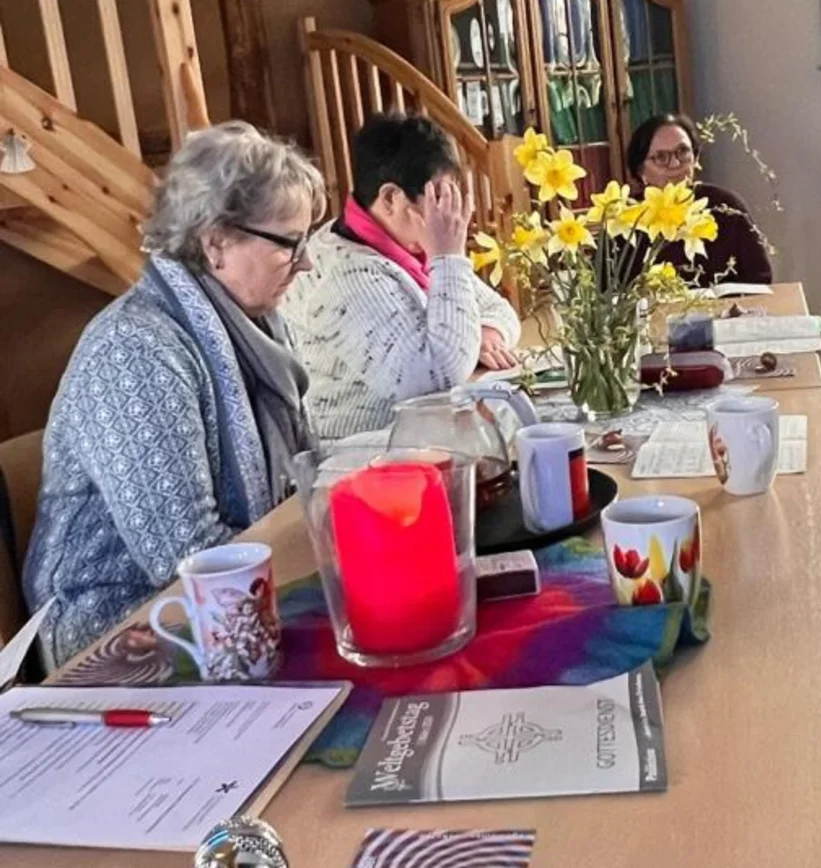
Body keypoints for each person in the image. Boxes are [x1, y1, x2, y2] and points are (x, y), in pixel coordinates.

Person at [24, 122, 325, 666]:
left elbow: (308, 471)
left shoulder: (257, 326)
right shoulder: (136, 348)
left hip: (231, 595)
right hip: (120, 625)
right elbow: (187, 558)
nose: (306, 262)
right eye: (290, 243)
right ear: (216, 243)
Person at [281, 113, 522, 441]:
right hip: (360, 455)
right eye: (439, 199)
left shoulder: (405, 245)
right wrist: (449, 257)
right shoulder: (347, 273)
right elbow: (438, 375)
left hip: (417, 439)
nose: (450, 216)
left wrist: (483, 333)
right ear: (391, 198)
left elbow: (499, 310)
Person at [626, 113, 774, 286]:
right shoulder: (627, 218)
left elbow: (761, 279)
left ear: (695, 158)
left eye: (682, 152)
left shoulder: (726, 206)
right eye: (661, 157)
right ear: (641, 171)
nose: (675, 164)